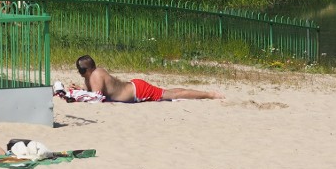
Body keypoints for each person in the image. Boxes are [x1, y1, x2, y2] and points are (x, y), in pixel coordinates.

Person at [71, 55, 224, 103]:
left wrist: (78, 95)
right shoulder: (90, 77)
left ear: (89, 68)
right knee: (170, 93)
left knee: (173, 94)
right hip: (134, 86)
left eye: (81, 69)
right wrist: (82, 90)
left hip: (138, 91)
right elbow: (96, 92)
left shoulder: (96, 74)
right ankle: (208, 94)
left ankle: (210, 94)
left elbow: (97, 97)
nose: (80, 72)